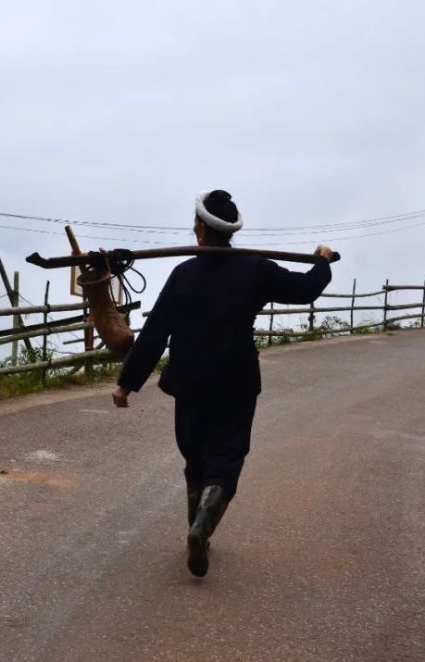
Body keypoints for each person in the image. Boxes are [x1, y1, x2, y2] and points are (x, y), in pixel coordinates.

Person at [111, 189, 335, 578]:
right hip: (236, 381)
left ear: (200, 230)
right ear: (228, 232)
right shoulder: (254, 269)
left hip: (189, 382)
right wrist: (322, 262)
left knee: (195, 457)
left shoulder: (182, 275)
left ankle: (197, 529)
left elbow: (154, 333)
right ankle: (203, 526)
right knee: (226, 459)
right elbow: (304, 290)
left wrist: (126, 384)